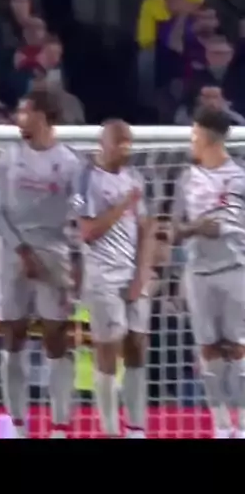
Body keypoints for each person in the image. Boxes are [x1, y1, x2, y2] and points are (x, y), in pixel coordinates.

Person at [0, 89, 82, 438]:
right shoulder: (7, 158)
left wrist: (77, 257)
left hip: (54, 251)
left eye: (24, 111)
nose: (18, 118)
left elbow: (79, 213)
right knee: (12, 335)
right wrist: (23, 251)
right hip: (11, 252)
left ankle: (59, 425)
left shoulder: (70, 163)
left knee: (56, 336)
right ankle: (17, 424)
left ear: (43, 115)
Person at [76, 120, 154, 438]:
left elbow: (147, 228)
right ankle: (109, 429)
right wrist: (123, 205)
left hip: (133, 274)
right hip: (103, 278)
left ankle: (136, 428)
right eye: (120, 143)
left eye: (128, 143)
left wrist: (142, 274)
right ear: (103, 144)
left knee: (137, 347)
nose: (126, 149)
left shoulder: (135, 177)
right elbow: (87, 231)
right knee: (109, 350)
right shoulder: (85, 178)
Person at [172, 107, 245, 439]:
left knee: (238, 349)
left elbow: (227, 223)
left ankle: (241, 423)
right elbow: (175, 226)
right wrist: (189, 229)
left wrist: (209, 227)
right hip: (197, 273)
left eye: (195, 132)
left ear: (208, 136)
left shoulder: (238, 177)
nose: (192, 138)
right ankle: (220, 424)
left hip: (235, 269)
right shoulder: (186, 178)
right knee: (208, 350)